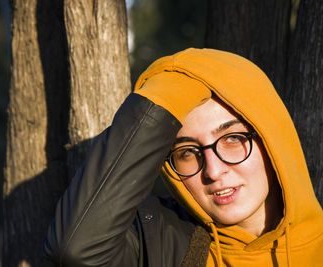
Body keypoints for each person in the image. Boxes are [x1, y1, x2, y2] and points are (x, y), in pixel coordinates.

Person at [43, 48, 323, 266]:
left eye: (232, 139)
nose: (213, 171)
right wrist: (174, 82)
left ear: (271, 137)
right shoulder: (156, 242)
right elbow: (76, 249)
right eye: (188, 152)